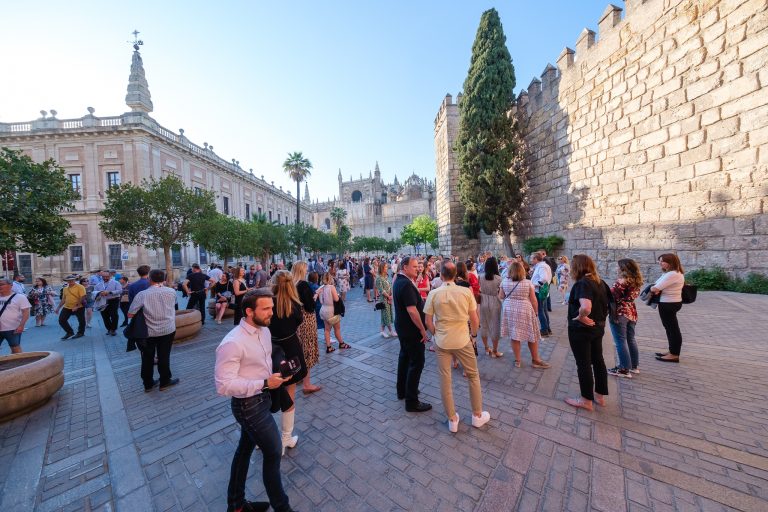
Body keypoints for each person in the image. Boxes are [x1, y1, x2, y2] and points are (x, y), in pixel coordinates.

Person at [215, 288, 296, 512]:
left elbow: (265, 359)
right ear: (250, 311)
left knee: (244, 450)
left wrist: (280, 370)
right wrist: (264, 383)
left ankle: (236, 505)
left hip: (263, 399)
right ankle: (283, 508)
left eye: (272, 307)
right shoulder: (232, 342)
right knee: (273, 451)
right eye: (267, 309)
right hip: (248, 406)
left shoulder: (264, 330)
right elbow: (223, 385)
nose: (272, 312)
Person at [424, 261, 490, 433]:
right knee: (473, 376)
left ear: (441, 274)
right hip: (462, 339)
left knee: (445, 380)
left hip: (442, 341)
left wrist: (436, 334)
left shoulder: (434, 293)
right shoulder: (465, 292)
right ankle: (477, 415)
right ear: (455, 275)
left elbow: (428, 321)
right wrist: (474, 336)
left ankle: (452, 418)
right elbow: (475, 319)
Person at [269, 270, 309, 455]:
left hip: (272, 348)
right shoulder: (294, 304)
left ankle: (265, 438)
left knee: (267, 392)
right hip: (291, 347)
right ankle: (286, 438)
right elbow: (298, 322)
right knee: (290, 391)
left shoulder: (268, 303)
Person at [564, 254, 610, 411]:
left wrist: (580, 316)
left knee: (583, 363)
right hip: (598, 328)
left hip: (581, 330)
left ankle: (586, 399)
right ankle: (600, 396)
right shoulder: (600, 282)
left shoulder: (583, 283)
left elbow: (586, 306)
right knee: (598, 360)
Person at [128, 269, 179, 392]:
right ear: (164, 279)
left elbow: (130, 314)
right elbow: (175, 306)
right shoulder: (171, 292)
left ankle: (148, 384)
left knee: (147, 358)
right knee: (164, 356)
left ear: (149, 279)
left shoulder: (142, 294)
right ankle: (165, 381)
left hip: (149, 332)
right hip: (167, 329)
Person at [393, 256, 431, 412]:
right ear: (404, 267)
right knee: (416, 363)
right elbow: (412, 310)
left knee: (405, 358)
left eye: (419, 266)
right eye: (414, 266)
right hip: (411, 330)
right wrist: (422, 329)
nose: (418, 268)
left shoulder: (400, 281)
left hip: (403, 328)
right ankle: (412, 401)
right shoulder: (406, 284)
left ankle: (403, 390)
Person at [499, 261, 550, 369]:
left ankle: (518, 361)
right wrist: (536, 312)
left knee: (514, 335)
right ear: (522, 270)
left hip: (509, 309)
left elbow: (501, 296)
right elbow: (533, 300)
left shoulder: (504, 281)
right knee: (532, 335)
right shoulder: (528, 283)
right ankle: (535, 359)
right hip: (524, 308)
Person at [608, 259, 643, 378]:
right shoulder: (636, 281)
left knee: (620, 341)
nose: (616, 268)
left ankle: (624, 369)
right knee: (631, 339)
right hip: (631, 312)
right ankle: (634, 366)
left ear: (623, 268)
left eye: (618, 266)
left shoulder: (621, 281)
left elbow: (612, 296)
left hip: (620, 312)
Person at [291, 262, 321, 394]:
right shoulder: (303, 284)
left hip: (296, 320)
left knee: (299, 348)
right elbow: (310, 306)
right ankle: (307, 384)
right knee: (307, 350)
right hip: (307, 319)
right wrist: (315, 296)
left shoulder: (291, 284)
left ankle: (298, 376)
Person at [652, 253, 686, 363]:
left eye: (662, 261)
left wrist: (654, 288)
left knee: (673, 329)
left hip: (669, 304)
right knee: (670, 328)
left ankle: (674, 354)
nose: (660, 263)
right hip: (669, 302)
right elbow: (657, 285)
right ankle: (672, 351)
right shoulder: (671, 273)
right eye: (659, 261)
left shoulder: (672, 274)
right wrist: (655, 287)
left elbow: (655, 287)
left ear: (670, 262)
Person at [315, 273, 351, 352]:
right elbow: (336, 299)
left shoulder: (321, 288)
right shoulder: (331, 287)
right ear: (330, 279)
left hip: (323, 310)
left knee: (327, 330)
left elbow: (320, 301)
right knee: (337, 329)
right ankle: (341, 343)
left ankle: (329, 347)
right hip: (331, 311)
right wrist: (338, 295)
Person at [478, 257, 503, 358]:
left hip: (483, 301)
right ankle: (495, 351)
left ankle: (486, 348)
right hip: (495, 301)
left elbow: (479, 289)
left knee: (484, 325)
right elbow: (501, 293)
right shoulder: (499, 278)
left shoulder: (481, 276)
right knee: (495, 326)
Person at [0, 277, 31, 354]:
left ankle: (19, 364)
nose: (0, 286)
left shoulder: (20, 297)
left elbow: (26, 312)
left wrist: (21, 325)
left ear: (10, 285)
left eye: (1, 284)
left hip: (13, 328)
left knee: (15, 348)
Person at [56, 275, 86, 340]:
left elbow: (82, 297)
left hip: (79, 306)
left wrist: (77, 306)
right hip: (67, 306)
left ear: (75, 280)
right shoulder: (65, 288)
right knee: (61, 320)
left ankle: (81, 332)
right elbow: (63, 299)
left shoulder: (80, 287)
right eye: (69, 280)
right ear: (66, 281)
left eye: (72, 280)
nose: (71, 281)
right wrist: (58, 308)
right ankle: (69, 332)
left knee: (81, 320)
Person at [530, 253, 553, 337]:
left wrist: (534, 284)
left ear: (536, 259)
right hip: (542, 291)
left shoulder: (542, 266)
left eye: (532, 258)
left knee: (540, 310)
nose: (531, 260)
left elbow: (544, 278)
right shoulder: (541, 266)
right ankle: (547, 328)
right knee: (543, 310)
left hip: (539, 291)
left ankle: (544, 330)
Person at [94, 270, 122, 336]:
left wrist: (109, 292)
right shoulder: (98, 284)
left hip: (113, 300)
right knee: (104, 316)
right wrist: (99, 294)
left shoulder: (116, 283)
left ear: (110, 276)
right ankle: (109, 329)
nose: (105, 278)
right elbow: (94, 292)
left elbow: (120, 291)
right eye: (104, 277)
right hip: (102, 301)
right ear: (101, 277)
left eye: (107, 276)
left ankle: (113, 329)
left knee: (114, 315)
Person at [375, 262, 396, 338]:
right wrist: (388, 296)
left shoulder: (386, 277)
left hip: (388, 298)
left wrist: (391, 295)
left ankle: (382, 331)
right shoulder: (379, 278)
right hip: (384, 299)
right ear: (382, 268)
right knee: (386, 314)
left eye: (387, 267)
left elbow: (389, 287)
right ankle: (390, 331)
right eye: (385, 267)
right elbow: (381, 290)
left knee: (386, 314)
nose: (387, 268)